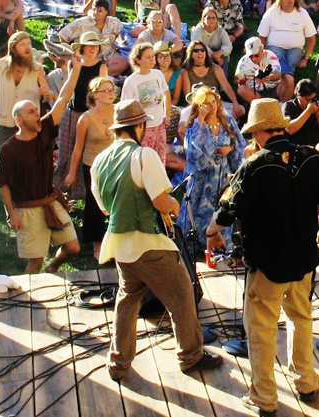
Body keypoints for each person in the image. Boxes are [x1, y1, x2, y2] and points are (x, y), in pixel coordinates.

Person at [206, 98, 319, 416]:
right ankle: (306, 381)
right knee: (300, 319)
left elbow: (226, 212)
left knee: (260, 329)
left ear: (260, 131)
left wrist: (210, 233)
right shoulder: (313, 158)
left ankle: (264, 397)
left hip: (267, 263)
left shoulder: (254, 165)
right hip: (304, 259)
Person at [90, 98, 225, 382]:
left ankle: (118, 363)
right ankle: (191, 356)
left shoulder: (100, 161)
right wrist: (175, 208)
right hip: (149, 243)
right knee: (182, 298)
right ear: (139, 126)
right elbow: (162, 201)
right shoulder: (144, 155)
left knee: (127, 301)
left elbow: (104, 207)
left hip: (120, 245)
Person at [0, 56, 83, 275]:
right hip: (27, 209)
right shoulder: (9, 149)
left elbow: (63, 99)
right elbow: (4, 185)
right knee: (35, 262)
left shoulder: (44, 129)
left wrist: (75, 70)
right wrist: (12, 214)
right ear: (18, 119)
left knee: (73, 247)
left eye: (36, 111)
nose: (37, 114)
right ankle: (28, 301)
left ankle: (53, 266)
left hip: (50, 201)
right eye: (30, 112)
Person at [179, 86, 247, 248]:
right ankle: (197, 246)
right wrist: (201, 121)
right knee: (198, 211)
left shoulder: (227, 120)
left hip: (223, 174)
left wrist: (229, 149)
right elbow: (195, 153)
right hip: (203, 177)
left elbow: (239, 143)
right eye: (207, 103)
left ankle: (222, 244)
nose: (212, 105)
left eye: (214, 101)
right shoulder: (195, 127)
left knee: (222, 208)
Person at [64, 77, 117, 261]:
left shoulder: (119, 112)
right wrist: (71, 172)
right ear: (95, 95)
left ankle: (117, 239)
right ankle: (98, 244)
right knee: (95, 203)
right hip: (93, 165)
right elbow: (78, 148)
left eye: (112, 90)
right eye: (106, 91)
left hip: (115, 164)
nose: (111, 93)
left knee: (116, 202)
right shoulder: (85, 119)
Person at [54, 31, 109, 201]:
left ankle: (80, 195)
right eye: (90, 45)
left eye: (96, 45)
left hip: (90, 115)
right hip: (71, 113)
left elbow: (102, 93)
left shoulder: (101, 67)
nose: (93, 48)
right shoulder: (74, 64)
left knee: (84, 154)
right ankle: (58, 193)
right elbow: (70, 87)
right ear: (83, 47)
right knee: (66, 153)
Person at [0, 32, 56, 157]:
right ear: (13, 48)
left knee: (27, 160)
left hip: (28, 124)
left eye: (29, 44)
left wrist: (47, 94)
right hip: (4, 121)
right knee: (3, 160)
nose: (28, 48)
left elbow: (48, 97)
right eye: (23, 45)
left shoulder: (37, 69)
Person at [122, 42, 172, 162]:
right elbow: (126, 107)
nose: (152, 59)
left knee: (159, 161)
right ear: (138, 60)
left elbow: (166, 93)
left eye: (153, 56)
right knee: (143, 162)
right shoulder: (131, 81)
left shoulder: (158, 74)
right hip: (142, 129)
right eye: (148, 57)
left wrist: (167, 114)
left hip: (159, 126)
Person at [258, 0, 317, 100]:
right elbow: (261, 36)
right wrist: (263, 54)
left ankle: (277, 91)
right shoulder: (271, 12)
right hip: (275, 46)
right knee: (280, 60)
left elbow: (311, 39)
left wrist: (305, 58)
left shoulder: (303, 13)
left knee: (290, 63)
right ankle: (288, 82)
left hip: (295, 49)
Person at [57, 0, 129, 76]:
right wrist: (71, 53)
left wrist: (112, 43)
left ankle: (98, 75)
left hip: (108, 56)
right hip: (88, 57)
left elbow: (118, 32)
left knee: (124, 63)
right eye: (93, 9)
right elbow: (62, 34)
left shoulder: (114, 22)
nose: (95, 12)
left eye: (99, 10)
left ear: (106, 12)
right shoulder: (82, 23)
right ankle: (95, 76)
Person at [181, 40, 244, 115]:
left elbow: (226, 87)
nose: (200, 53)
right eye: (196, 51)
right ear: (191, 54)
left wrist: (235, 103)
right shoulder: (186, 71)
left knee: (241, 110)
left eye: (202, 50)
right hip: (197, 104)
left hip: (215, 102)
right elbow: (188, 95)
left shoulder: (215, 68)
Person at [235, 37, 288, 102]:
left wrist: (270, 77)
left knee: (289, 79)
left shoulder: (270, 55)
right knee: (241, 90)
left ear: (262, 50)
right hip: (255, 92)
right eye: (250, 56)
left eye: (256, 55)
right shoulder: (243, 62)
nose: (254, 58)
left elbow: (278, 74)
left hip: (273, 88)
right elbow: (240, 83)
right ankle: (261, 107)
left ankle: (281, 107)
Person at [284, 79, 319, 147]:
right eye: (307, 99)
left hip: (317, 148)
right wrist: (308, 111)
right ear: (298, 96)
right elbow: (289, 129)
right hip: (296, 147)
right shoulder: (289, 106)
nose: (311, 102)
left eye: (313, 98)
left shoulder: (318, 104)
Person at [191, 6, 233, 71]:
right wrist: (213, 55)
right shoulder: (197, 31)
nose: (211, 20)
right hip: (203, 54)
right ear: (203, 18)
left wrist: (221, 52)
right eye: (208, 18)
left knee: (224, 56)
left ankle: (222, 79)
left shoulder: (220, 30)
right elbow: (199, 45)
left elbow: (228, 45)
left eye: (213, 18)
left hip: (217, 53)